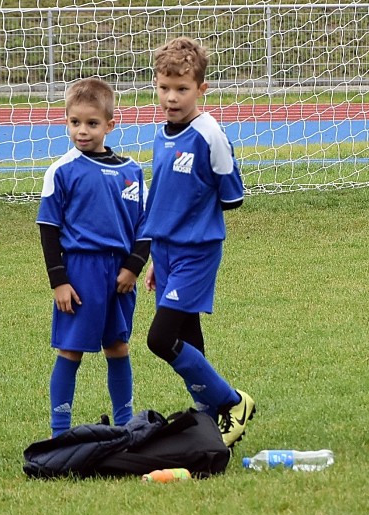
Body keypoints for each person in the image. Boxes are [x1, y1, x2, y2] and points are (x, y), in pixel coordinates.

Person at [141, 36, 255, 448]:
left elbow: (233, 195)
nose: (171, 97)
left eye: (182, 89)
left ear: (201, 89)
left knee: (160, 339)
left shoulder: (209, 134)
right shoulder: (160, 133)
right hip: (167, 251)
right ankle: (207, 417)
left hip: (196, 251)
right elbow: (166, 197)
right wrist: (157, 253)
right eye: (164, 87)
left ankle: (231, 401)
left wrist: (191, 228)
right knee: (188, 336)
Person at [36, 77, 149, 438]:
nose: (82, 131)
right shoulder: (62, 171)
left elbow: (146, 227)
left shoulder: (132, 172)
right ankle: (60, 434)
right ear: (66, 121)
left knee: (118, 346)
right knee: (71, 351)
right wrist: (60, 281)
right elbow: (48, 229)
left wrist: (133, 267)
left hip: (119, 274)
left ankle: (125, 426)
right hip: (80, 272)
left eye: (92, 123)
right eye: (74, 123)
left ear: (110, 125)